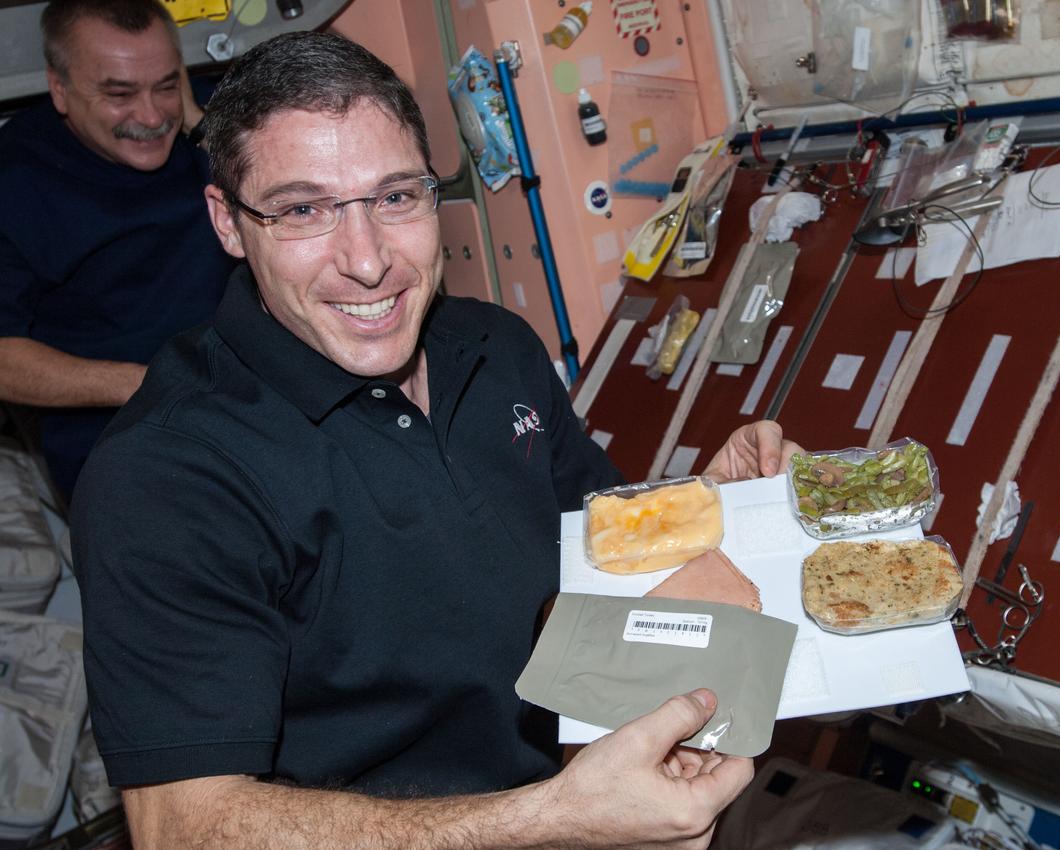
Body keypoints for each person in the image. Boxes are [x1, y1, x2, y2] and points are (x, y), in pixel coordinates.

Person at [71, 30, 801, 849]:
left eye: (395, 197)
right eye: (305, 209)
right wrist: (559, 821)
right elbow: (182, 827)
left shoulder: (496, 348)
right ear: (230, 224)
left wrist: (716, 506)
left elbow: (594, 551)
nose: (368, 261)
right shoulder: (166, 475)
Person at [0, 0, 235, 503]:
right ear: (60, 89)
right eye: (119, 94)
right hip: (123, 434)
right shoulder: (14, 179)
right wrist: (146, 383)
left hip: (256, 397)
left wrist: (199, 123)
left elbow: (301, 197)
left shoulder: (211, 133)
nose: (151, 116)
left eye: (166, 85)